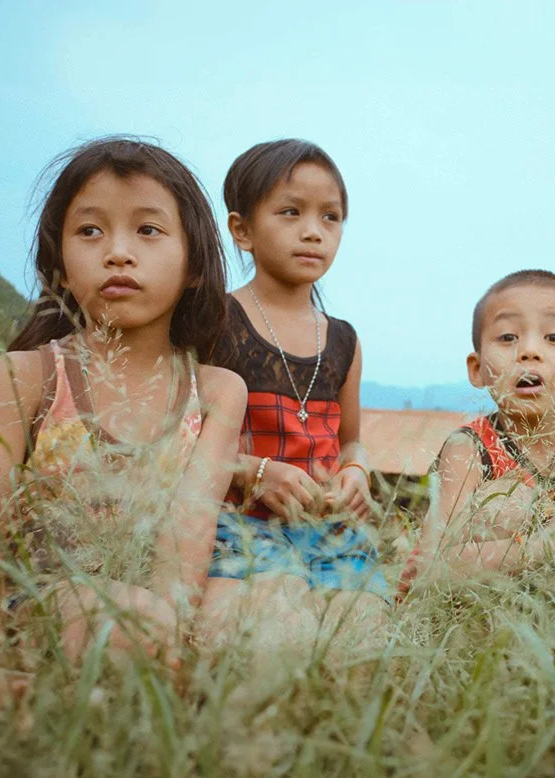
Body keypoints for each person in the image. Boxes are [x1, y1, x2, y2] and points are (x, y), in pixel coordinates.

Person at [0, 138, 246, 701]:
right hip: (42, 599)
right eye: (90, 231)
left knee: (260, 622)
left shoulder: (217, 392)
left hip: (162, 603)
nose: (118, 253)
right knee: (128, 619)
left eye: (148, 231)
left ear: (194, 267)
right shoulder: (26, 376)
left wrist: (174, 632)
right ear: (58, 265)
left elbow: (187, 542)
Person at [200, 139, 386, 642]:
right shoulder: (215, 322)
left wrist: (355, 473)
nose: (313, 232)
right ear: (242, 230)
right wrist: (253, 472)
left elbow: (351, 439)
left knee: (363, 646)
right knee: (271, 634)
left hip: (333, 535)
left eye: (331, 217)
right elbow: (179, 442)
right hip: (242, 529)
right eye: (290, 212)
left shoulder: (343, 339)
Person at [401, 270, 555, 594]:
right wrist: (544, 546)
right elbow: (430, 567)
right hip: (475, 629)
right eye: (508, 337)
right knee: (512, 501)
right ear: (476, 368)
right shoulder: (470, 450)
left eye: (554, 337)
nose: (529, 351)